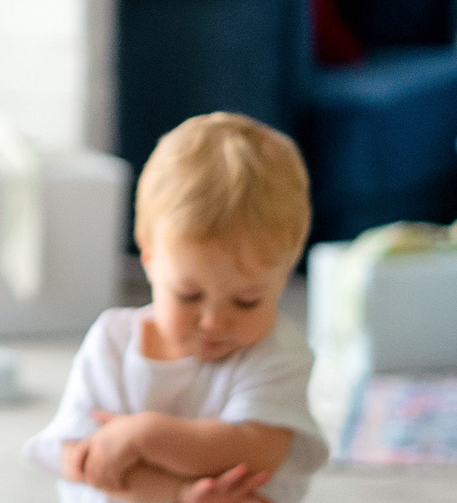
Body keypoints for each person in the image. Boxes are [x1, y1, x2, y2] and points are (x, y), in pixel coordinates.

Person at [24, 113, 331, 503]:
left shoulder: (278, 352)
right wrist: (179, 494)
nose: (214, 322)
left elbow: (258, 452)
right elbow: (79, 459)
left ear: (286, 274)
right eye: (189, 295)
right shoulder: (113, 341)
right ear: (149, 258)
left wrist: (145, 436)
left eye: (246, 301)